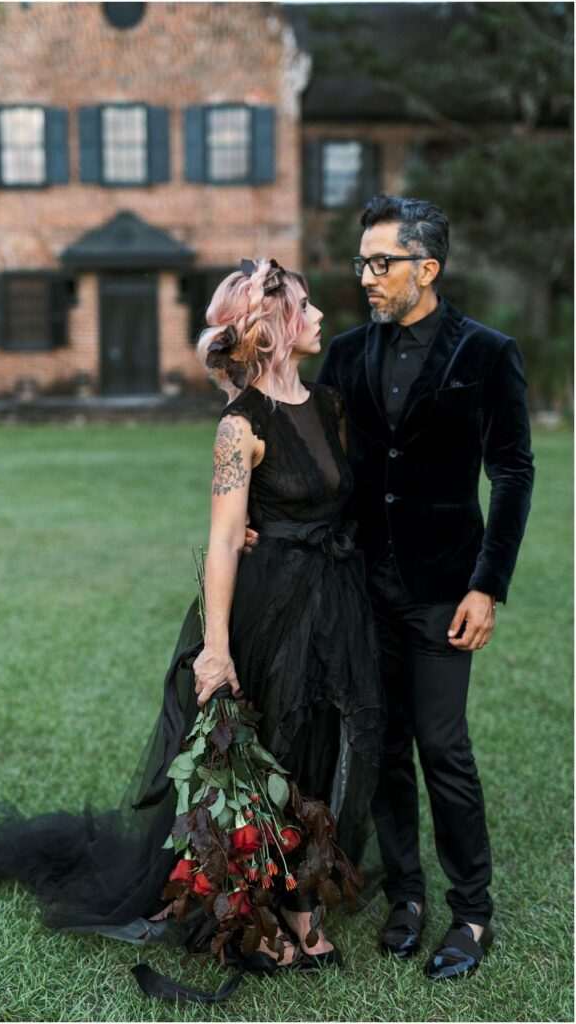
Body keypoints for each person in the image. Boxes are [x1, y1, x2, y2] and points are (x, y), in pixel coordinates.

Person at [0, 258, 383, 987]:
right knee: (268, 754)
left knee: (321, 747)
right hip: (268, 613)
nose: (320, 316)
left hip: (335, 603)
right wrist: (216, 649)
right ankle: (262, 914)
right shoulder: (239, 427)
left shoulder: (330, 405)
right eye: (305, 306)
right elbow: (222, 542)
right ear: (273, 326)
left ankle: (305, 909)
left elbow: (345, 501)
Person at [246, 195, 534, 981]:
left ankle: (471, 912)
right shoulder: (344, 353)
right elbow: (300, 441)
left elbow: (512, 471)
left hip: (446, 587)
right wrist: (252, 520)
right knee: (382, 746)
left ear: (426, 268)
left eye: (382, 262)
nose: (367, 276)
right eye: (362, 262)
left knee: (443, 744)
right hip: (358, 586)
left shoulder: (488, 353)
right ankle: (405, 894)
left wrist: (488, 586)